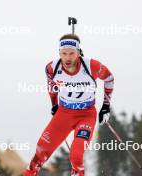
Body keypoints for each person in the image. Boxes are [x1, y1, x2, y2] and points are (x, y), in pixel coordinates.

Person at [24, 34, 114, 176]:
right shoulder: (51, 68)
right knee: (40, 151)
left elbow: (109, 78)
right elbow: (52, 87)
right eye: (64, 53)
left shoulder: (92, 66)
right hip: (64, 114)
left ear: (78, 53)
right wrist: (54, 105)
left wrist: (106, 106)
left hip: (86, 115)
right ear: (59, 53)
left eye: (71, 53)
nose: (67, 58)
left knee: (76, 156)